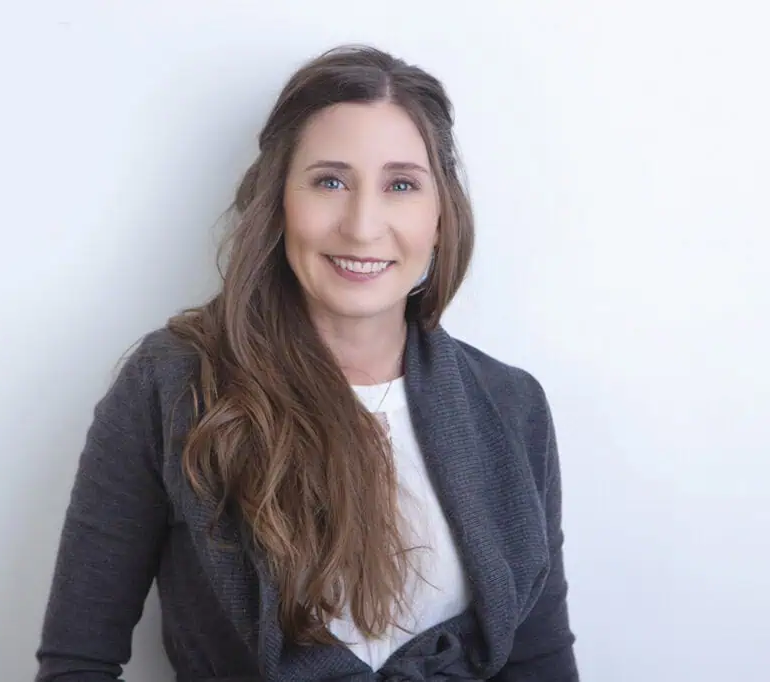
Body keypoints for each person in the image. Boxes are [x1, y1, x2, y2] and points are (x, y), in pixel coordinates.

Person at [34, 44, 578, 681]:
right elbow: (79, 661)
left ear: (439, 216)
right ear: (278, 202)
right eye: (330, 181)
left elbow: (539, 661)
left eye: (401, 184)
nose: (363, 224)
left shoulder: (511, 404)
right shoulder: (175, 385)